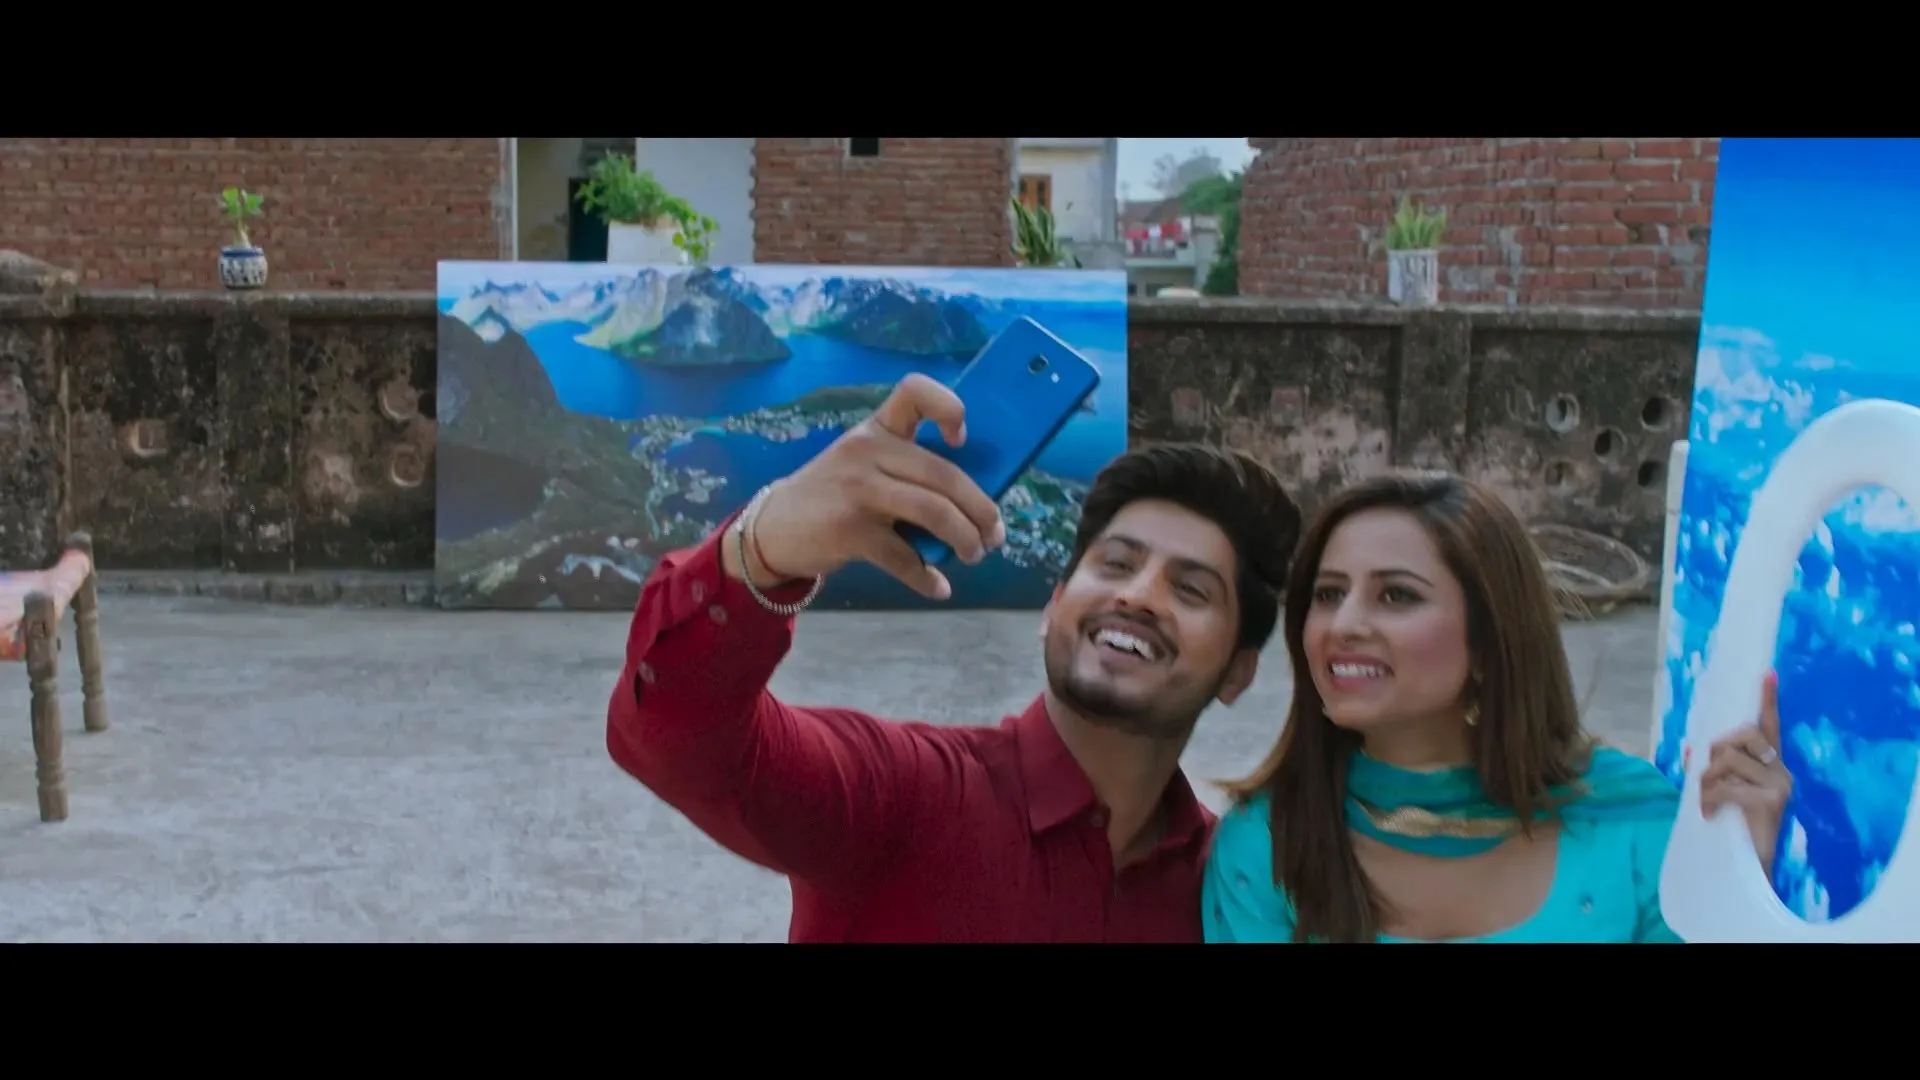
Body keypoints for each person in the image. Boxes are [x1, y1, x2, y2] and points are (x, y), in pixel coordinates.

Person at [606, 374, 1302, 942]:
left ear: (1240, 671)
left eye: (1191, 589)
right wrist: (764, 548)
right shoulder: (900, 796)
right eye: (1116, 564)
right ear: (1054, 606)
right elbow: (677, 737)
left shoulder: (1235, 898)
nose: (1139, 596)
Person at [1202, 471, 1794, 944]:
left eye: (1396, 595)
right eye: (1329, 594)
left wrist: (1740, 890)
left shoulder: (1632, 822)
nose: (1344, 624)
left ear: (1491, 642)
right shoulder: (1267, 846)